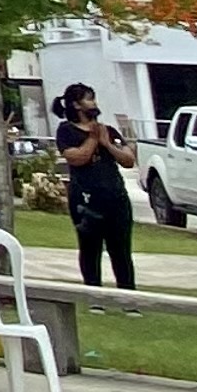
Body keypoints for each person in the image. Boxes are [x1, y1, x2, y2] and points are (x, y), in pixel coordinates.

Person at [54, 82, 139, 290]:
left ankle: (128, 297)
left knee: (121, 250)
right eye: (89, 99)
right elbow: (77, 158)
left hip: (116, 198)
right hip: (86, 200)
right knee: (90, 248)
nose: (94, 103)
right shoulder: (66, 131)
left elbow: (128, 159)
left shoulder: (108, 131)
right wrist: (93, 138)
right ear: (76, 104)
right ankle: (94, 295)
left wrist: (107, 143)